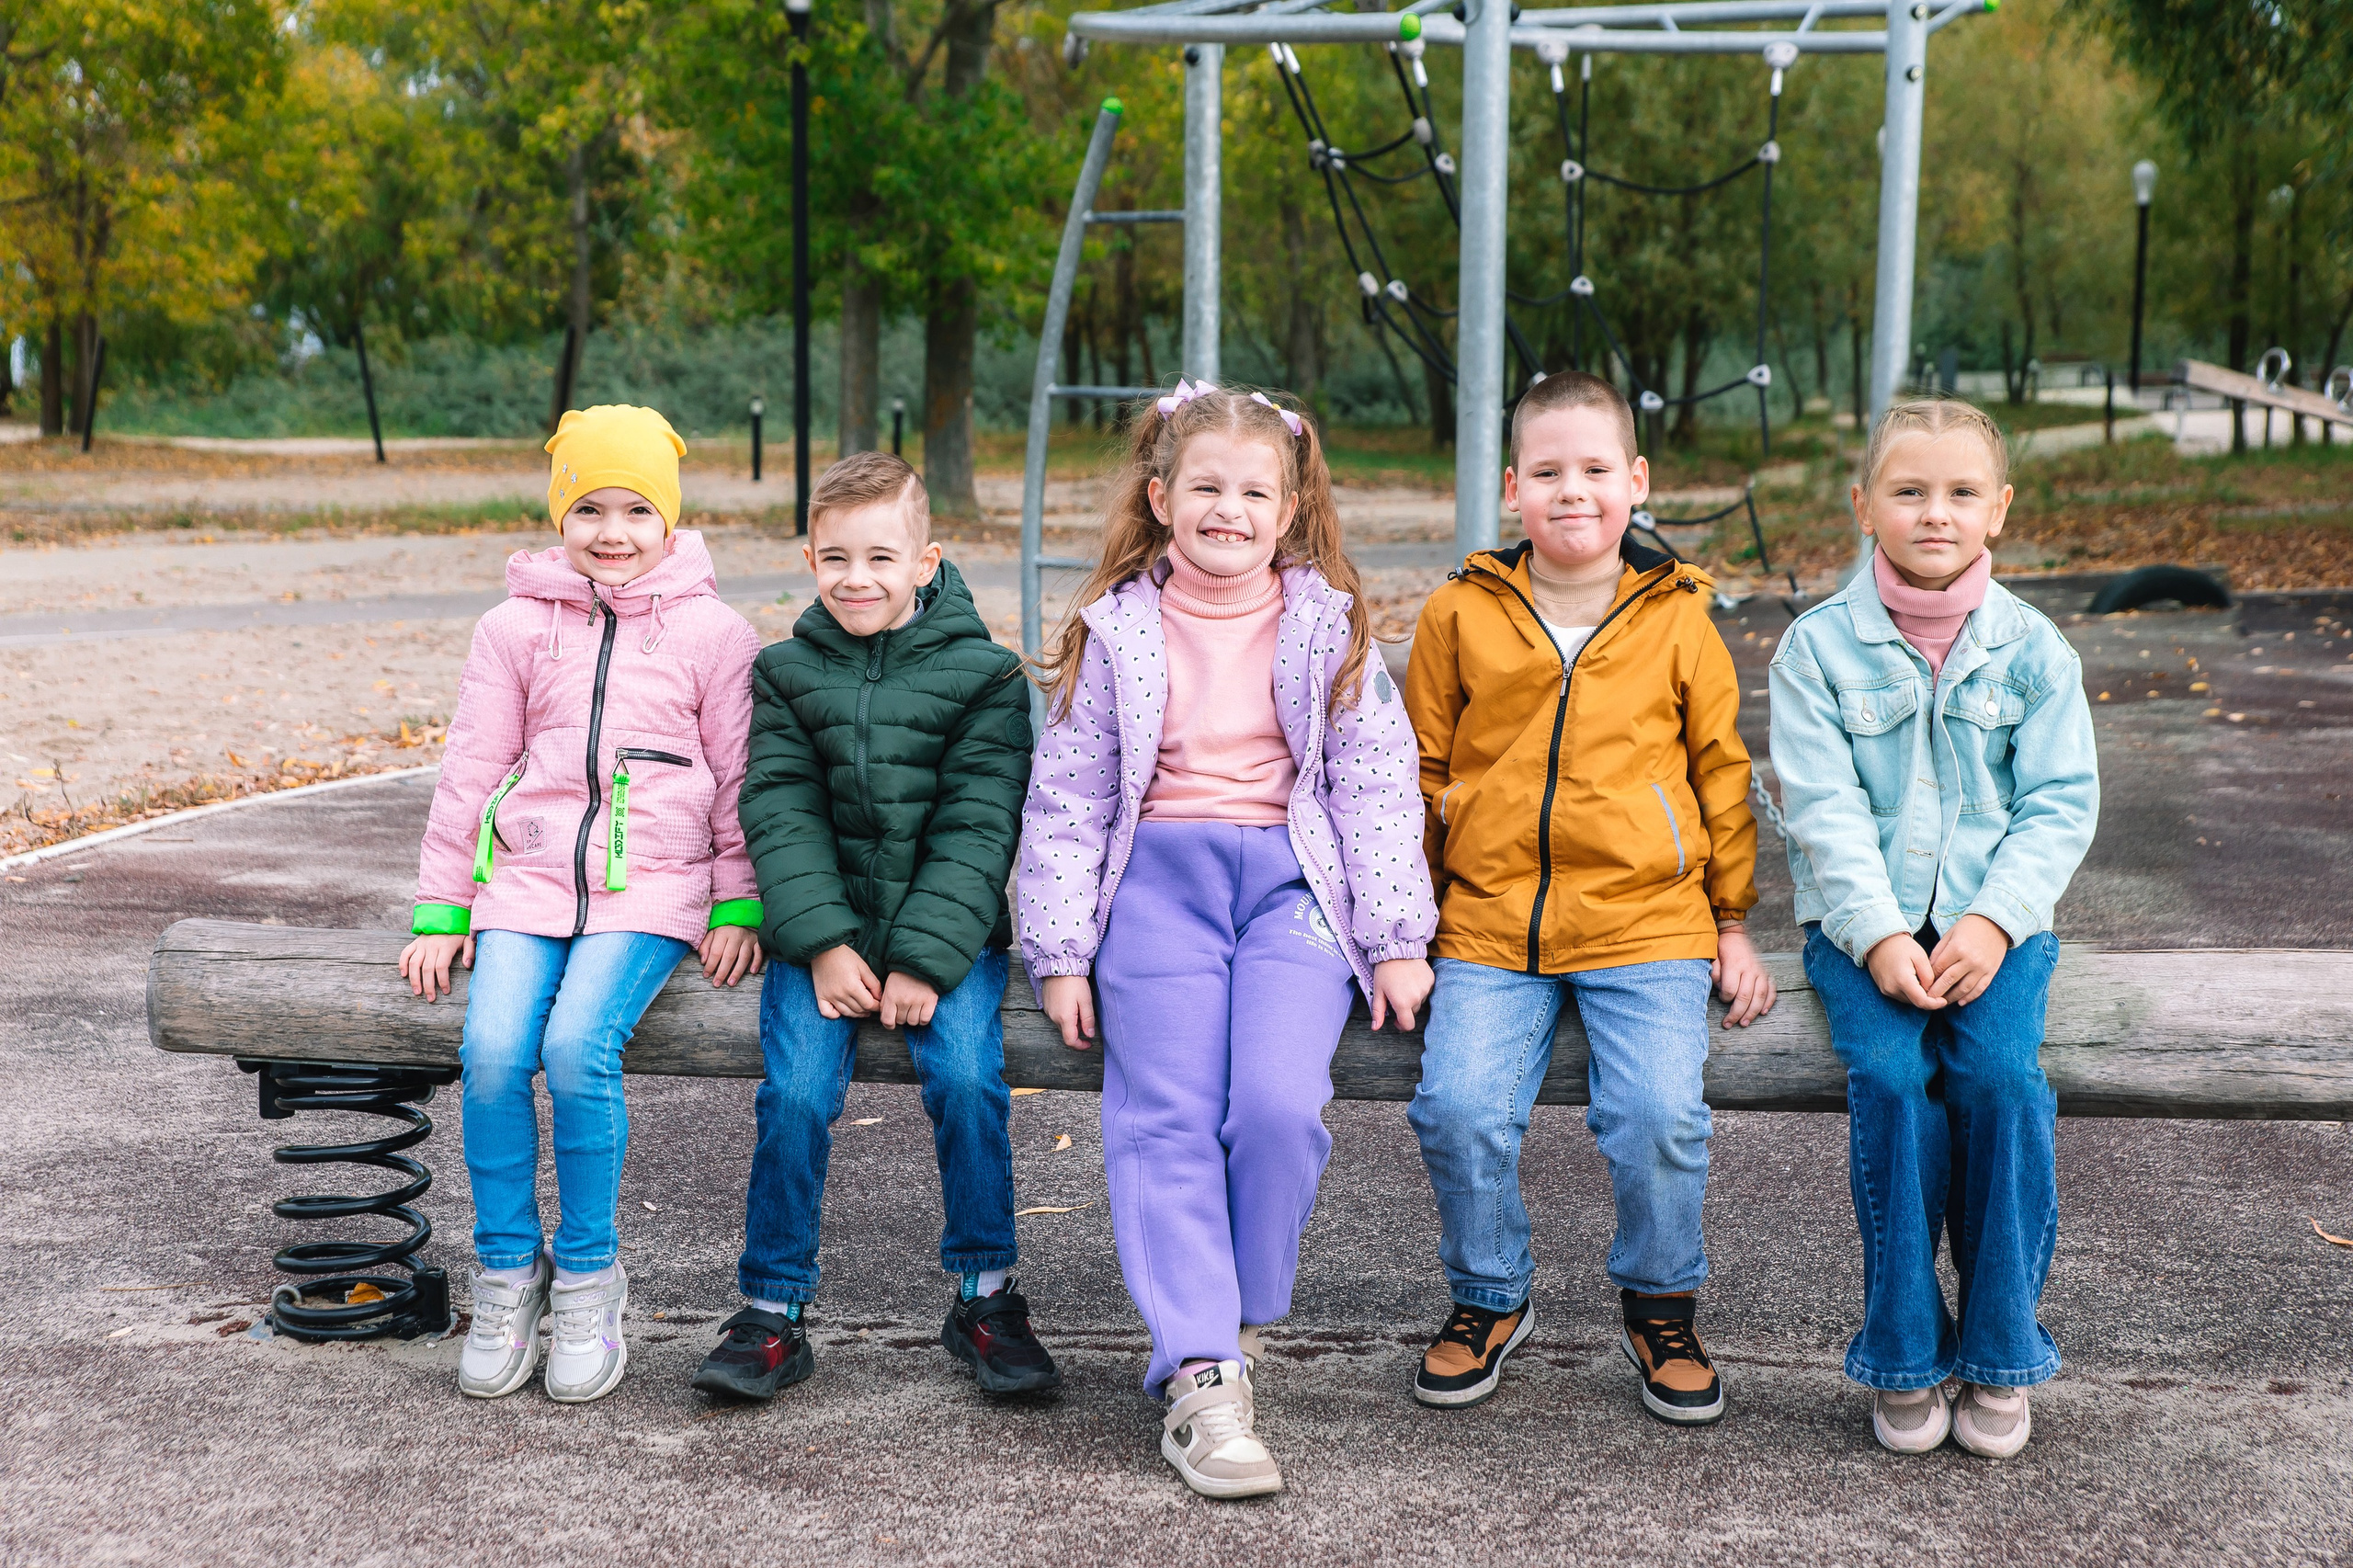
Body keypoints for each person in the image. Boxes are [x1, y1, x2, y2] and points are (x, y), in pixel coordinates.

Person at [1018, 381, 1437, 1499]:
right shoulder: (1117, 629)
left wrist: (1396, 934)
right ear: (1161, 498)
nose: (1228, 508)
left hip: (1291, 887)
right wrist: (1058, 949)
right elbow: (1066, 794)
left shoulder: (1328, 623)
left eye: (1255, 490)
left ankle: (1237, 1307)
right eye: (1205, 486)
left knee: (1274, 1106)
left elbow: (1375, 780)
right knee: (1162, 1115)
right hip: (1157, 881)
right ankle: (1199, 1375)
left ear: (1291, 506)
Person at [1403, 369, 1776, 1426]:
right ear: (1512, 485)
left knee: (1657, 1113)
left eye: (1597, 470)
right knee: (1460, 1106)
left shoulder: (1677, 620)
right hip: (1487, 918)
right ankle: (1487, 1292)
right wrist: (1407, 925)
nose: (1575, 491)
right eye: (1550, 472)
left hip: (1646, 920)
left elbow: (1718, 772)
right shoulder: (1458, 611)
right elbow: (1420, 774)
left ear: (1636, 481)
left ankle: (1659, 1303)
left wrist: (1733, 922)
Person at [398, 404, 766, 1404]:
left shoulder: (714, 632)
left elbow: (740, 775)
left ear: (669, 517)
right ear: (560, 513)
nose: (612, 531)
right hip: (522, 882)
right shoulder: (513, 627)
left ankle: (591, 1277)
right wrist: (441, 906)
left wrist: (737, 900)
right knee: (493, 1049)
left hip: (652, 885)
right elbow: (471, 768)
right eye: (590, 507)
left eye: (637, 509)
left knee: (576, 1048)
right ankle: (510, 1273)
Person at [689, 451, 1059, 1403]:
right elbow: (777, 808)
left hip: (950, 941)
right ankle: (773, 1307)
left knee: (971, 1080)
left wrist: (929, 960)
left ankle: (984, 1294)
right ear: (810, 558)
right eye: (836, 558)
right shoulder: (784, 671)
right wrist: (822, 942)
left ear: (926, 561)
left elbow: (981, 825)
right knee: (800, 1093)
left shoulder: (984, 676)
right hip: (823, 940)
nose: (858, 578)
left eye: (882, 558)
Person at [1769, 397, 2097, 1459]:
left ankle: (1999, 1349)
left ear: (1997, 509)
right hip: (1862, 928)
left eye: (1960, 492)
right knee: (1894, 1081)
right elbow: (1818, 808)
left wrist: (1996, 922)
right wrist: (1872, 936)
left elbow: (2058, 802)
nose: (1934, 513)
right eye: (1908, 491)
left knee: (2001, 1082)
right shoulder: (1817, 649)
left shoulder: (2033, 650)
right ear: (1864, 505)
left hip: (1994, 929)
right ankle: (1905, 1349)